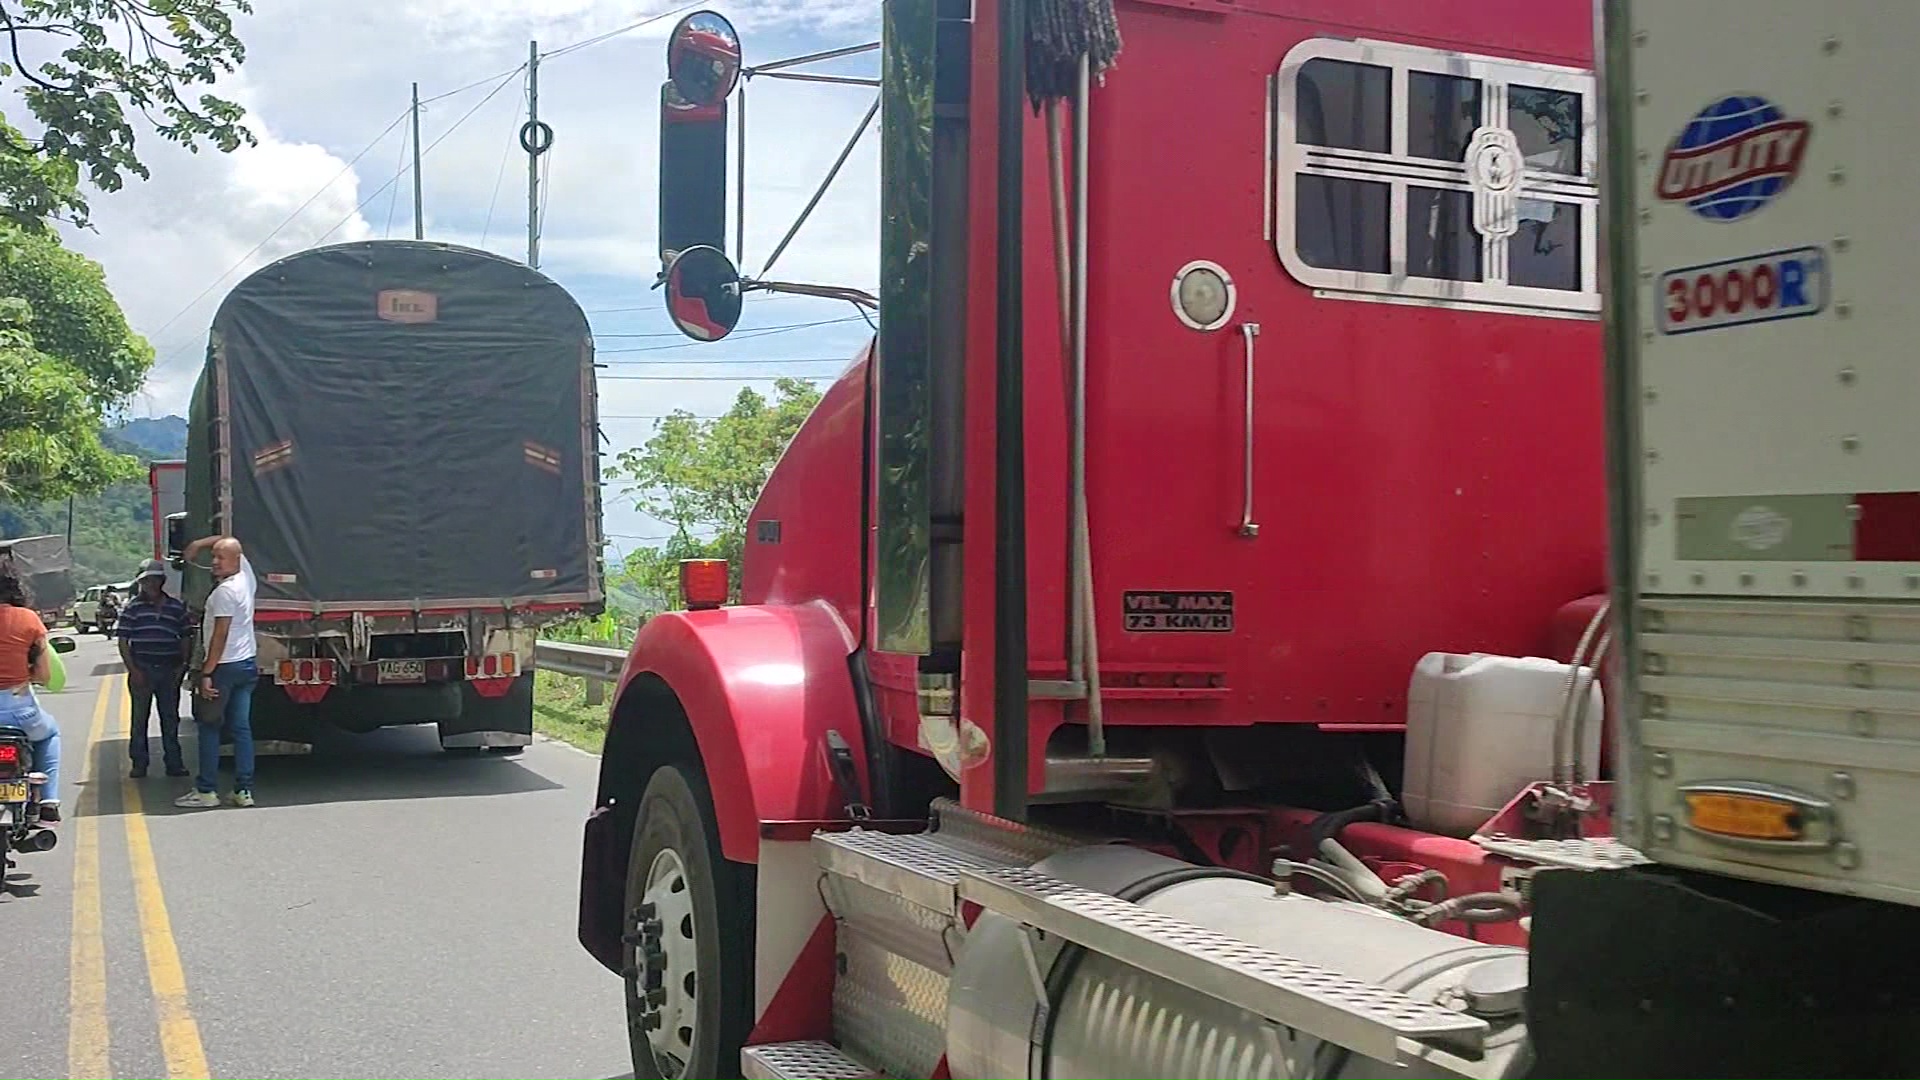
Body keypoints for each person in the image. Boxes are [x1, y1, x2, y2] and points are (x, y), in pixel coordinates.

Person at [177, 534, 257, 809]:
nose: (214, 562)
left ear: (235, 560)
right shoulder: (246, 577)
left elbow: (220, 635)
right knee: (241, 728)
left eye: (221, 558)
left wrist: (206, 672)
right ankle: (243, 789)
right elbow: (227, 539)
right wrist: (198, 545)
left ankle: (206, 790)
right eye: (214, 556)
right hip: (246, 663)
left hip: (223, 666)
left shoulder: (224, 593)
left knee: (209, 726)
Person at [116, 559, 192, 779]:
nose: (150, 584)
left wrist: (182, 666)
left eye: (154, 579)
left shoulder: (176, 607)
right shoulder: (132, 608)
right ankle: (139, 764)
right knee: (139, 720)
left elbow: (186, 636)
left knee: (170, 719)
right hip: (142, 670)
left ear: (162, 581)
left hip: (169, 670)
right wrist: (134, 670)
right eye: (146, 580)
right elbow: (123, 641)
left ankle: (174, 764)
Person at [0, 562, 60, 822]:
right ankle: (47, 800)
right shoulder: (28, 619)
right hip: (19, 711)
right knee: (50, 735)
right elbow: (45, 676)